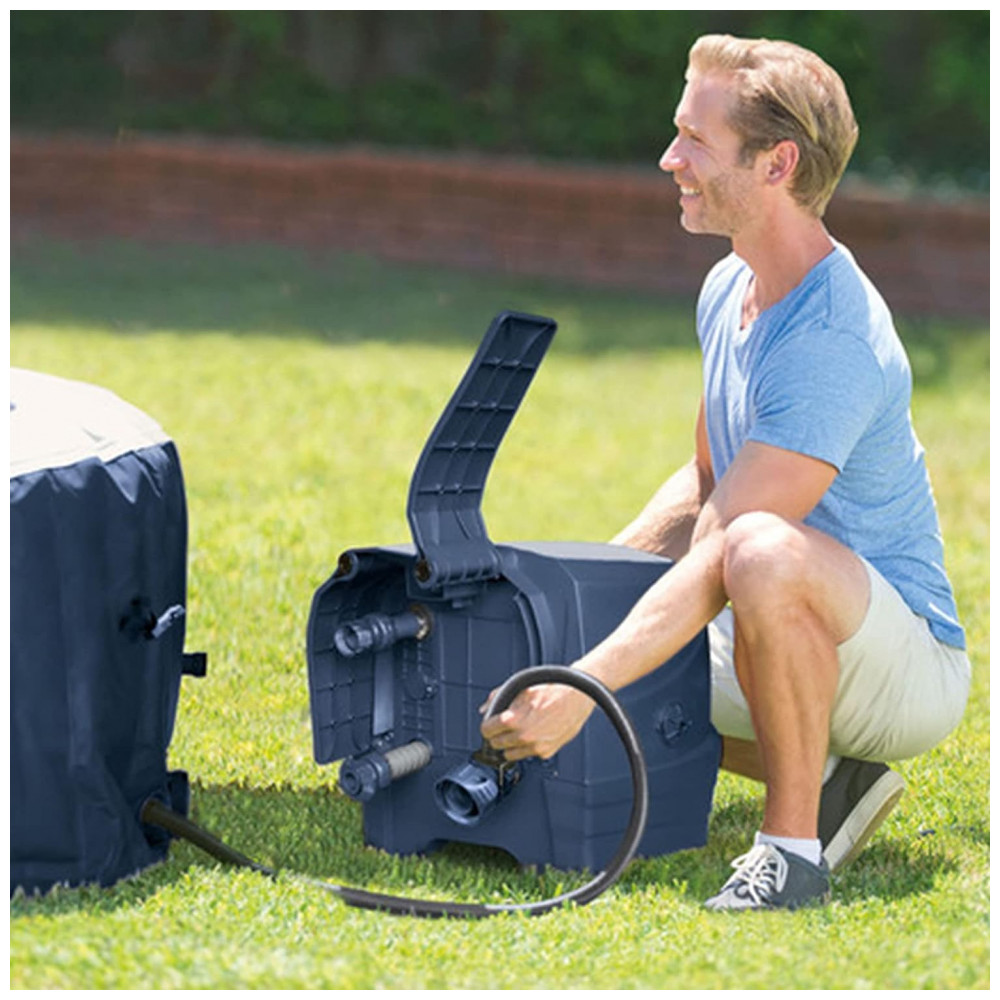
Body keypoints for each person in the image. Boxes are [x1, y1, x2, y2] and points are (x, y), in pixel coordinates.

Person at [481, 34, 970, 911]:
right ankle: (834, 780)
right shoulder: (728, 285)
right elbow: (706, 483)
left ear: (777, 164)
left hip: (899, 666)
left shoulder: (831, 337)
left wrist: (586, 681)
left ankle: (791, 856)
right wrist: (577, 603)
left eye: (696, 141)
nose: (670, 159)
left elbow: (728, 547)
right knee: (585, 632)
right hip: (768, 612)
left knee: (757, 554)